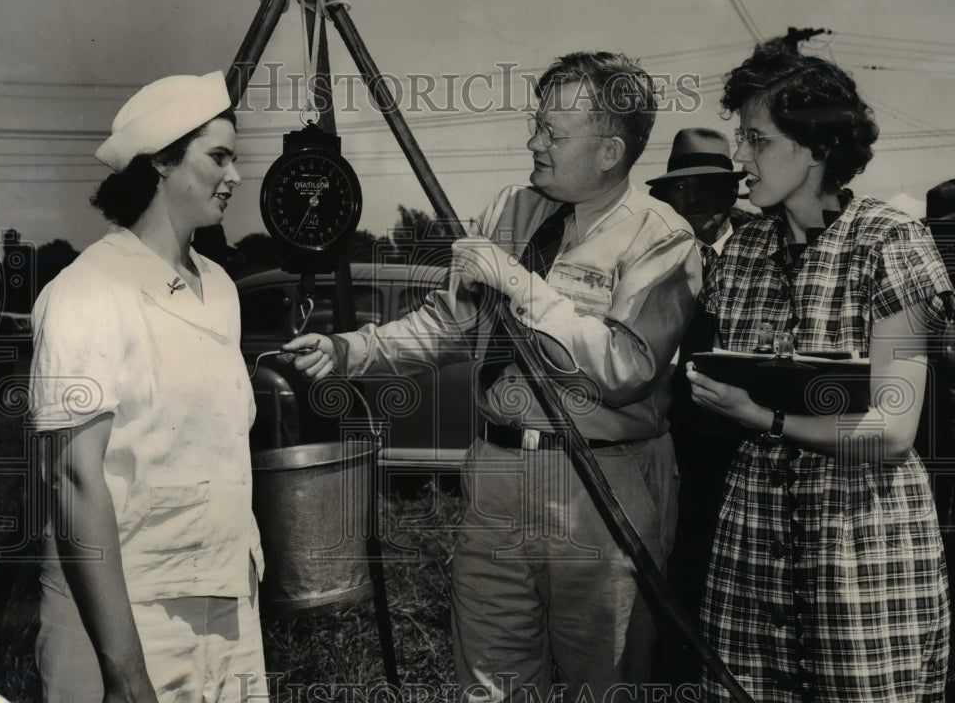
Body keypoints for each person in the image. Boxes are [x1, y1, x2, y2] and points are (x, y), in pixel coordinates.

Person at [285, 50, 701, 700]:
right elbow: (447, 324)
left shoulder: (661, 238)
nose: (532, 142)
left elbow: (626, 368)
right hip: (497, 476)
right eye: (535, 124)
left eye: (553, 134)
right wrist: (348, 352)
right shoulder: (510, 210)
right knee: (491, 685)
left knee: (607, 684)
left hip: (598, 486)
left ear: (610, 151)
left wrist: (520, 284)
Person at [686, 39, 954, 702]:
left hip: (860, 550)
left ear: (815, 148)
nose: (740, 157)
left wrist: (764, 417)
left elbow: (892, 432)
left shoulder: (891, 242)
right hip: (751, 546)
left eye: (756, 138)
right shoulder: (741, 249)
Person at [29, 71, 267, 703]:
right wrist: (126, 675)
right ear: (161, 161)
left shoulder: (219, 287)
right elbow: (74, 479)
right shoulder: (87, 291)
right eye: (218, 156)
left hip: (226, 606)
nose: (236, 176)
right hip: (125, 614)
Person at [645, 129, 750, 685]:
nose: (695, 204)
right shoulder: (654, 251)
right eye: (681, 191)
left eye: (710, 188)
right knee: (676, 564)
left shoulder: (762, 246)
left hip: (747, 439)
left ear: (732, 192)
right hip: (671, 437)